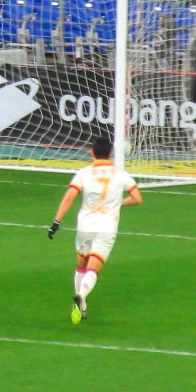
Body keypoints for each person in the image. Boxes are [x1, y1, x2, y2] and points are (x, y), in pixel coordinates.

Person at [47, 136, 142, 325]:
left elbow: (69, 197)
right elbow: (137, 198)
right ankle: (81, 297)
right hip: (107, 228)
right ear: (111, 154)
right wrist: (119, 204)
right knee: (94, 268)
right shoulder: (121, 174)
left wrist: (56, 221)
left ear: (92, 153)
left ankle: (80, 301)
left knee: (81, 265)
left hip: (85, 226)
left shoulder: (84, 173)